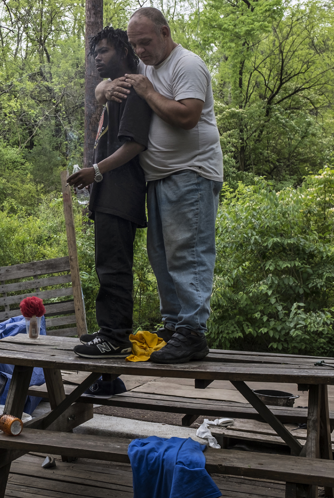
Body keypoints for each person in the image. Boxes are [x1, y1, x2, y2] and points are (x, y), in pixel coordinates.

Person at [96, 7, 224, 364]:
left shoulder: (187, 65)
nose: (140, 50)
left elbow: (187, 117)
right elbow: (105, 85)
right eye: (134, 45)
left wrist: (147, 91)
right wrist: (104, 87)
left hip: (191, 172)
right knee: (161, 257)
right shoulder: (147, 67)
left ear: (165, 33)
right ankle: (173, 326)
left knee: (188, 253)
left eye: (146, 42)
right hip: (159, 177)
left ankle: (192, 332)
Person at [67, 27, 152, 358]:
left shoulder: (133, 90)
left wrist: (96, 170)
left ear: (124, 52)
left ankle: (116, 337)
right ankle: (108, 330)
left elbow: (134, 145)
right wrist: (93, 175)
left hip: (123, 192)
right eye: (95, 53)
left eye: (104, 51)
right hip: (108, 193)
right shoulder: (113, 93)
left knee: (115, 267)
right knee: (106, 265)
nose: (97, 58)